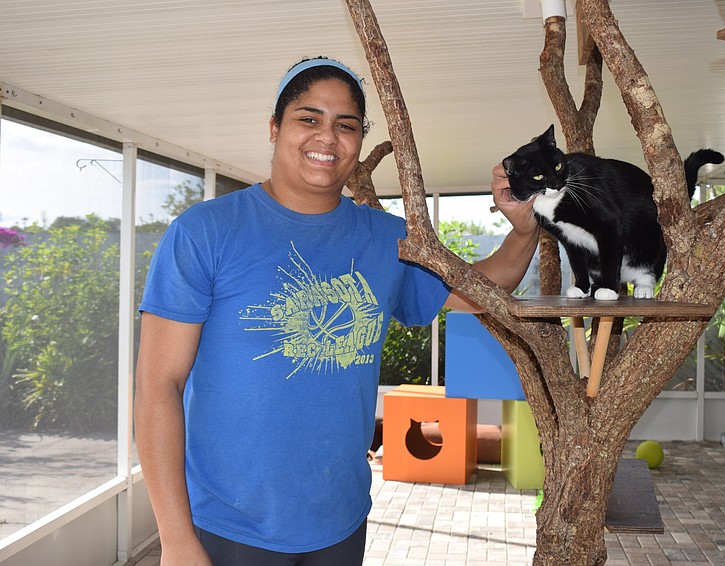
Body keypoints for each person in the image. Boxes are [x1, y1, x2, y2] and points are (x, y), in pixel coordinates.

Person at [134, 56, 538, 566]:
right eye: (309, 119)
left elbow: (483, 288)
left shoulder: (386, 237)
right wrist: (174, 540)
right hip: (227, 527)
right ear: (275, 127)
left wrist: (525, 230)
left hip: (341, 522)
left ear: (360, 141)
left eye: (346, 125)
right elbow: (156, 389)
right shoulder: (205, 232)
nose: (327, 138)